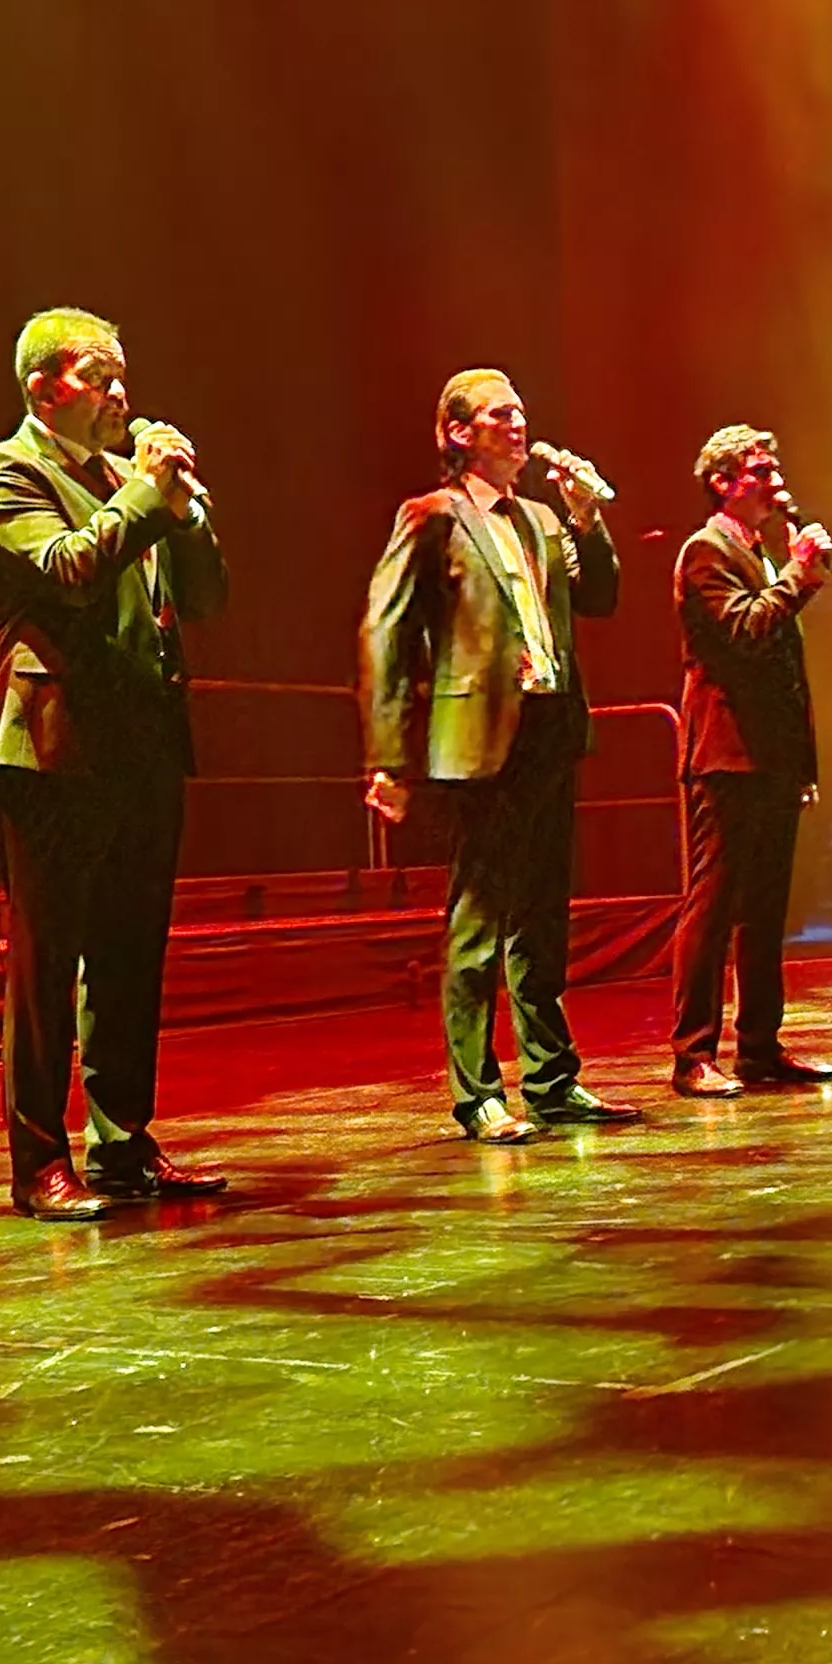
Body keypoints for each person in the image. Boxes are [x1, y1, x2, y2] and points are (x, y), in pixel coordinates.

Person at [0, 308, 230, 1220]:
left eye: (124, 377)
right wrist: (146, 497)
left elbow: (206, 595)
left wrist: (185, 509)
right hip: (52, 743)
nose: (122, 395)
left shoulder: (132, 481)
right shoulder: (3, 473)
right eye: (100, 378)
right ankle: (38, 1162)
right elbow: (70, 566)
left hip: (143, 742)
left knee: (130, 954)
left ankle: (124, 1145)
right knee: (46, 964)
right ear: (45, 390)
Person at [359, 369, 643, 1145]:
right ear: (458, 433)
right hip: (480, 740)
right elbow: (385, 634)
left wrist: (588, 520)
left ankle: (552, 1078)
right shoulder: (432, 517)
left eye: (522, 411)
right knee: (479, 917)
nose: (519, 424)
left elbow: (601, 598)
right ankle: (477, 1089)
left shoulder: (543, 521)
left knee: (543, 916)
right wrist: (387, 756)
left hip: (550, 727)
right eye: (499, 414)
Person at [666, 425, 832, 1098]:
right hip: (725, 754)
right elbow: (742, 632)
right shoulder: (705, 552)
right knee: (711, 905)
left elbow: (785, 669)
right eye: (760, 471)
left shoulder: (759, 553)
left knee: (766, 910)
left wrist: (803, 765)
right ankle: (692, 1054)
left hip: (768, 757)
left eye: (775, 468)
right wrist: (798, 573)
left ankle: (760, 1048)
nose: (775, 481)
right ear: (722, 482)